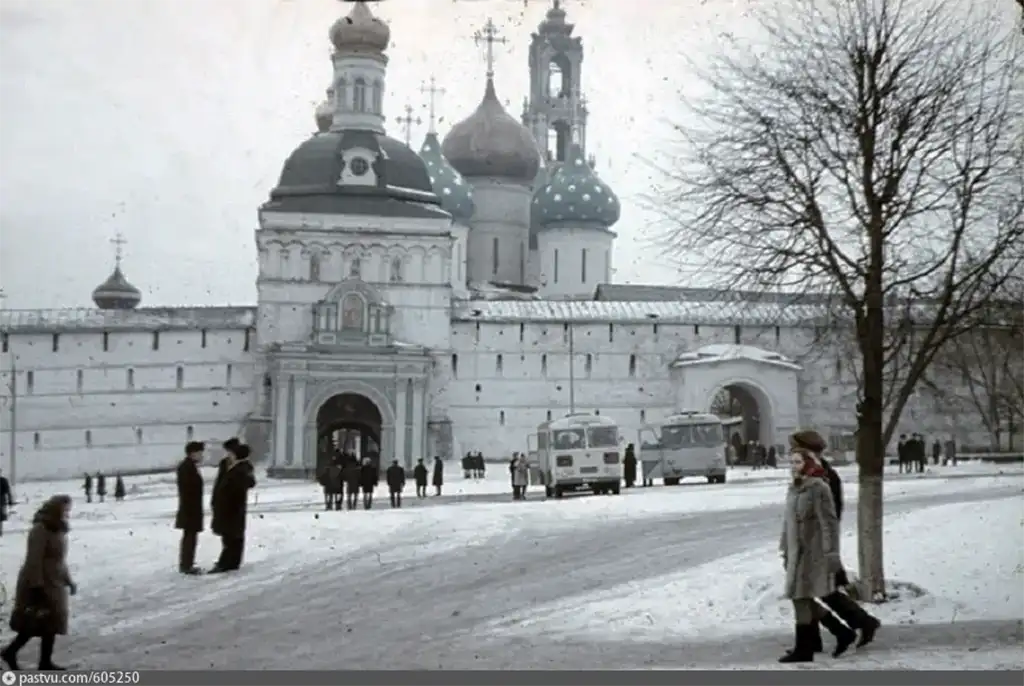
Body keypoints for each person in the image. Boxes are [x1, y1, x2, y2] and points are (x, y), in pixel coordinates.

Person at [789, 431, 881, 655]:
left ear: (807, 449)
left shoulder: (824, 476)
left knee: (817, 591)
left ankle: (856, 625)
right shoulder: (807, 472)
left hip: (817, 543)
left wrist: (826, 547)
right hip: (807, 542)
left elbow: (828, 515)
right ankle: (821, 637)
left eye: (795, 448)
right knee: (811, 591)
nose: (791, 452)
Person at [777, 448, 853, 663]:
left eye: (798, 462)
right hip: (795, 552)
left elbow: (829, 523)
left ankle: (805, 648)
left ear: (809, 463)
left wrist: (831, 553)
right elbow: (788, 521)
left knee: (800, 597)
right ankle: (840, 633)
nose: (793, 466)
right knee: (801, 597)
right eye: (791, 462)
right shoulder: (794, 488)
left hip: (813, 552)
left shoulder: (819, 487)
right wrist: (784, 547)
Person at [1, 494, 77, 671]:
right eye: (64, 509)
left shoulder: (58, 529)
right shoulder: (40, 529)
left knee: (52, 622)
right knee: (34, 621)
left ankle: (45, 662)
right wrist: (36, 585)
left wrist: (69, 581)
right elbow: (34, 560)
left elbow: (59, 560)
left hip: (55, 581)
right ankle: (10, 652)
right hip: (40, 581)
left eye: (68, 510)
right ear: (55, 508)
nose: (67, 513)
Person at [209, 443, 256, 573]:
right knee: (233, 536)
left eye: (231, 453)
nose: (229, 456)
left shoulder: (239, 470)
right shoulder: (237, 468)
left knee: (230, 537)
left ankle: (226, 563)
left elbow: (235, 488)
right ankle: (231, 562)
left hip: (232, 509)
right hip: (232, 509)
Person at [175, 441, 205, 575]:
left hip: (191, 508)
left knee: (190, 537)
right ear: (193, 453)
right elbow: (188, 489)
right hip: (190, 509)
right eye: (199, 453)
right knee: (189, 537)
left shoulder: (190, 466)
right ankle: (186, 565)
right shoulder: (186, 467)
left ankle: (187, 563)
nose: (201, 455)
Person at [0, 468, 12, 537]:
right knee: (1, 518)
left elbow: (8, 492)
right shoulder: (4, 480)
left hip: (2, 502)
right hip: (2, 502)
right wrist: (10, 500)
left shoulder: (3, 481)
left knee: (1, 518)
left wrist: (10, 500)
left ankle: (0, 532)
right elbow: (8, 492)